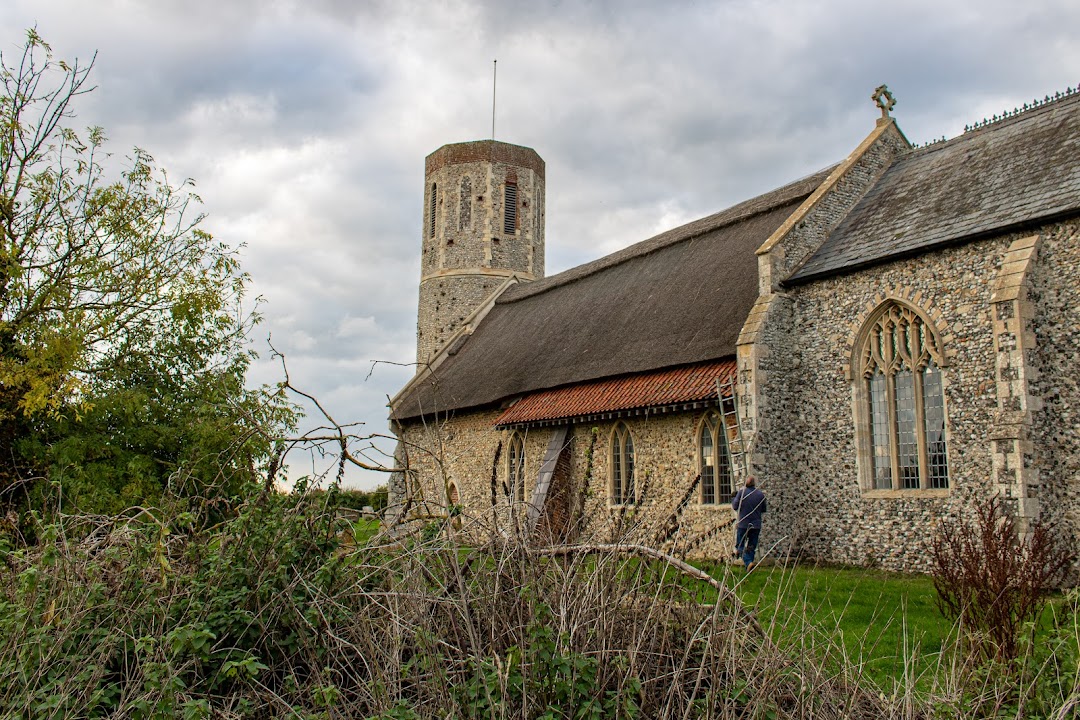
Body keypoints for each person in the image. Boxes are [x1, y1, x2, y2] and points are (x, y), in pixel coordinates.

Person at [731, 475, 767, 571]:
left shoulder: (741, 493)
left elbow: (735, 506)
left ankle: (748, 562)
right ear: (754, 483)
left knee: (740, 546)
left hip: (743, 523)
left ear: (745, 483)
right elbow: (764, 509)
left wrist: (734, 498)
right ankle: (749, 565)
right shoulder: (760, 494)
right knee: (751, 546)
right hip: (755, 524)